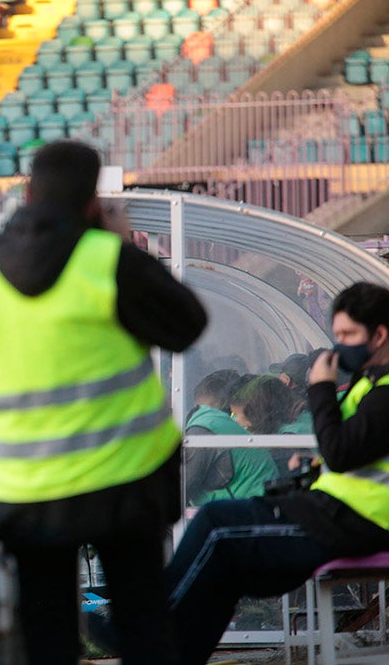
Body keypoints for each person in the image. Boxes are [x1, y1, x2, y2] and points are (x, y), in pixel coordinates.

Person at [0, 140, 207, 664]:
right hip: (125, 480)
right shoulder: (109, 259)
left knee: (46, 635)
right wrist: (119, 243)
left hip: (26, 487)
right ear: (93, 201)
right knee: (144, 624)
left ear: (26, 191)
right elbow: (187, 327)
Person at [160, 282, 389, 665]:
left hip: (355, 522)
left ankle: (144, 627)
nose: (339, 345)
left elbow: (341, 450)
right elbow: (353, 452)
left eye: (349, 335)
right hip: (333, 512)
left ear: (380, 334)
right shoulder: (370, 384)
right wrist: (314, 465)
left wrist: (320, 390)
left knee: (216, 525)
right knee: (225, 564)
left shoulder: (384, 391)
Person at [184, 370, 277, 507]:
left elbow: (183, 489)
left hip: (248, 515)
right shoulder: (221, 425)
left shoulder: (203, 429)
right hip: (261, 507)